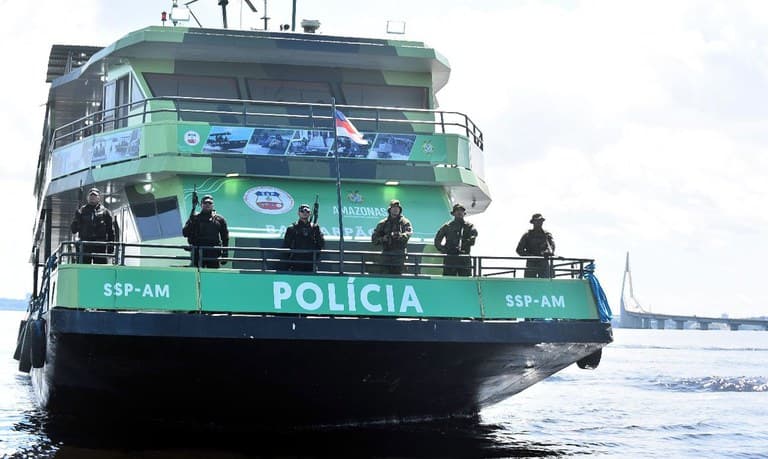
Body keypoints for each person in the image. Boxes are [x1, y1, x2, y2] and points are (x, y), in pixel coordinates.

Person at [70, 188, 116, 264]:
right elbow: (74, 230)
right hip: (85, 245)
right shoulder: (81, 211)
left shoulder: (105, 212)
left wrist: (111, 247)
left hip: (100, 245)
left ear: (99, 198)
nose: (92, 198)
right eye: (91, 196)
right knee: (83, 269)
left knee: (100, 270)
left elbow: (111, 231)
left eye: (95, 196)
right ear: (87, 198)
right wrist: (77, 217)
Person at [183, 194, 229, 268]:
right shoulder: (195, 217)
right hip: (198, 252)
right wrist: (192, 213)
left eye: (210, 203)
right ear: (201, 205)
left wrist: (225, 253)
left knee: (212, 276)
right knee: (197, 276)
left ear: (213, 205)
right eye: (205, 203)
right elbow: (185, 233)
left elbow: (225, 237)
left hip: (213, 253)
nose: (207, 205)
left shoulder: (219, 219)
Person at [434, 203, 478, 276]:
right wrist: (445, 250)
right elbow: (437, 240)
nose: (459, 212)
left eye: (461, 211)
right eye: (457, 211)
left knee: (465, 281)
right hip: (450, 258)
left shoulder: (469, 226)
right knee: (448, 281)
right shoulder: (447, 226)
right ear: (453, 213)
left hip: (464, 258)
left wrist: (466, 243)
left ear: (464, 213)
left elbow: (473, 237)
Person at [371, 199, 413, 274]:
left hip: (400, 256)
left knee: (399, 279)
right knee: (385, 277)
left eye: (397, 208)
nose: (396, 210)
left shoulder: (404, 222)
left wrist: (399, 236)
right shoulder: (383, 223)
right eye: (394, 208)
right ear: (390, 210)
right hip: (386, 255)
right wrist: (383, 239)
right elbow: (374, 239)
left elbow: (408, 233)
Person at [282, 203, 325, 272]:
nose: (304, 213)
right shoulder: (292, 228)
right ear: (298, 213)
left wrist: (317, 234)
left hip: (311, 262)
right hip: (296, 262)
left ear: (310, 213)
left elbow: (321, 244)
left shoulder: (315, 227)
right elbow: (286, 247)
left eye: (307, 212)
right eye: (302, 211)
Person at [516, 213, 555, 278]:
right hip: (531, 264)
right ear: (533, 222)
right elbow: (519, 250)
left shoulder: (547, 235)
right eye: (537, 221)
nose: (539, 223)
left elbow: (552, 247)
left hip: (543, 263)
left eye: (540, 221)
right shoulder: (527, 235)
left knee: (545, 284)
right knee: (529, 284)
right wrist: (530, 256)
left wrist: (547, 252)